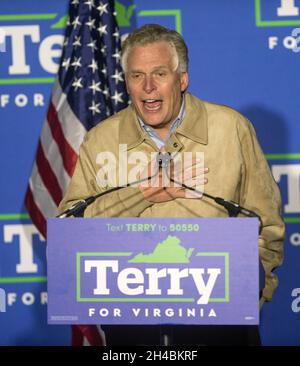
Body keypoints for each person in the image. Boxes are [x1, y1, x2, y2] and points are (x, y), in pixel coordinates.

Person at [58, 24, 285, 346]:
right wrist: (141, 195)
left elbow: (266, 223)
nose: (148, 87)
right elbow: (71, 228)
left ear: (182, 79)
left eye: (159, 74)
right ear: (127, 83)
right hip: (131, 325)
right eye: (137, 76)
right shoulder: (101, 140)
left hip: (222, 321)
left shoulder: (230, 129)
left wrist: (253, 294)